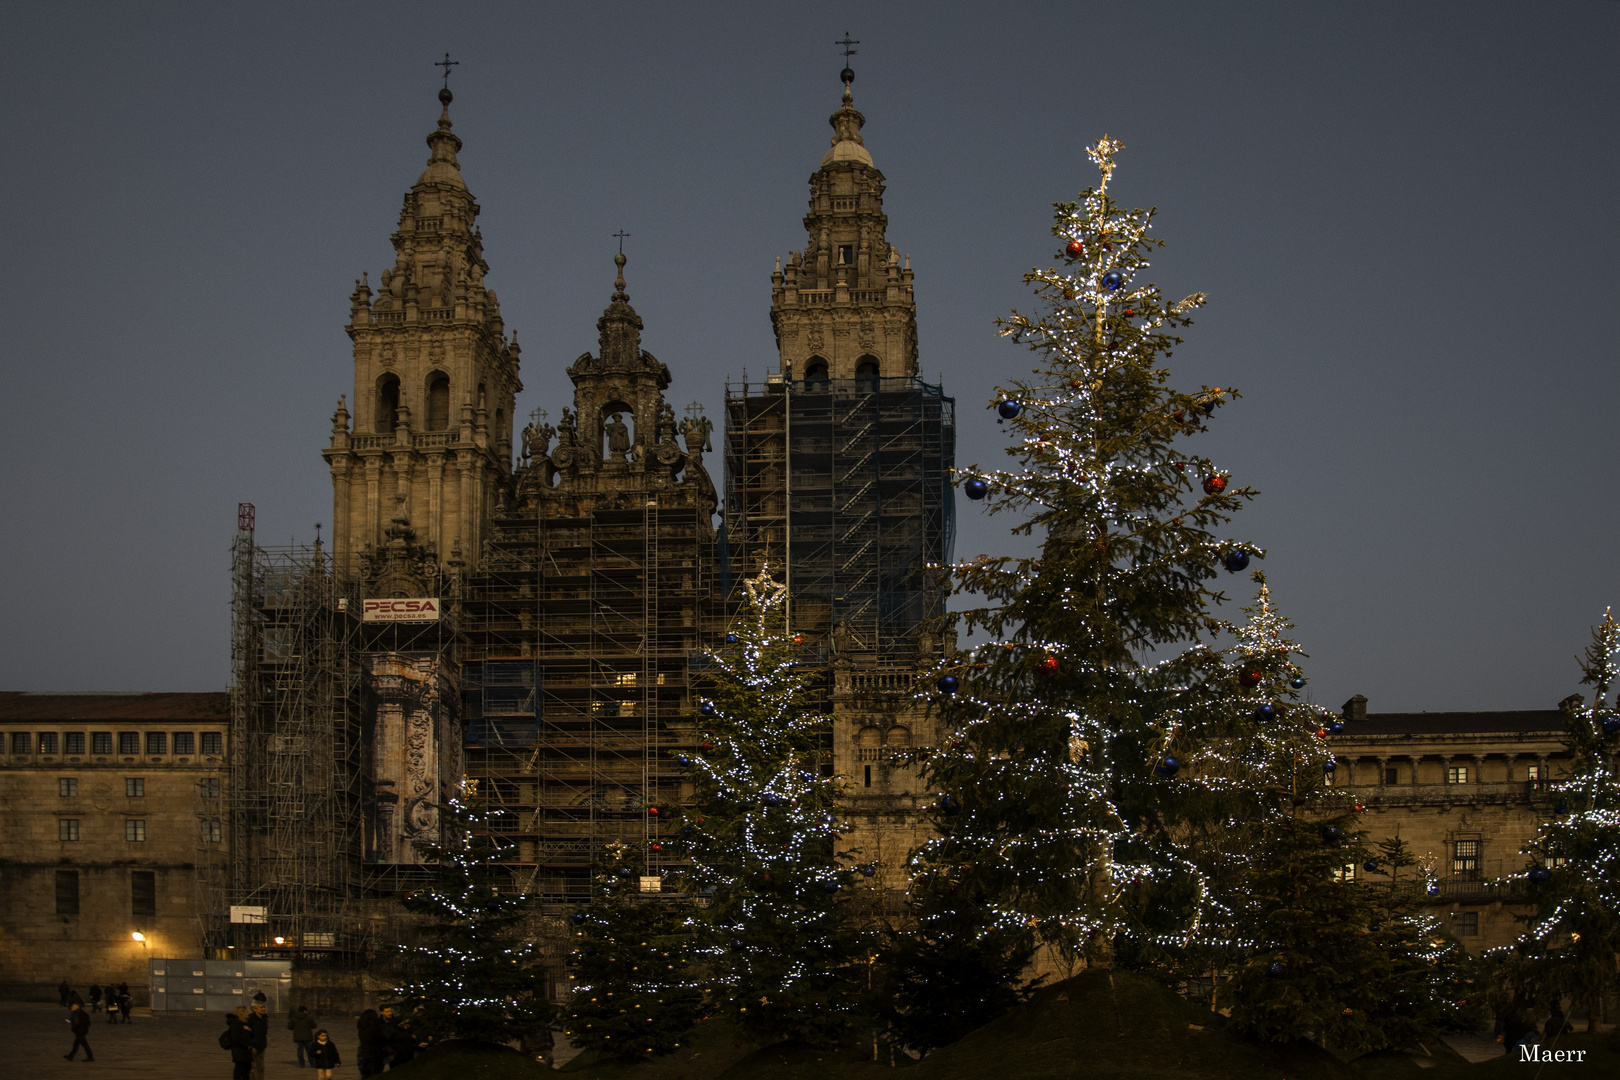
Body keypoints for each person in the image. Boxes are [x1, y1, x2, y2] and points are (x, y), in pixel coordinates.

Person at [226, 1007, 255, 1080]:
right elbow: (235, 1039)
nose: (248, 1013)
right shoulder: (236, 1024)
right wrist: (246, 1046)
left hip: (243, 1052)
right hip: (240, 1051)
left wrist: (248, 1030)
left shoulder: (243, 1024)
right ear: (242, 1013)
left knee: (244, 1069)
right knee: (240, 1069)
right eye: (246, 1012)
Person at [248, 994, 270, 1080]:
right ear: (255, 1009)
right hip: (253, 1046)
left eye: (263, 1007)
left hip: (262, 1045)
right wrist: (251, 1044)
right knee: (253, 1068)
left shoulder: (264, 1018)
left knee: (261, 1067)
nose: (263, 1009)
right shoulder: (251, 1018)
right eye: (261, 1008)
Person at [355, 1009, 381, 1078]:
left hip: (363, 1053)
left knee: (365, 1074)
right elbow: (380, 1039)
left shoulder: (362, 1027)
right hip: (374, 1055)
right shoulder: (374, 1029)